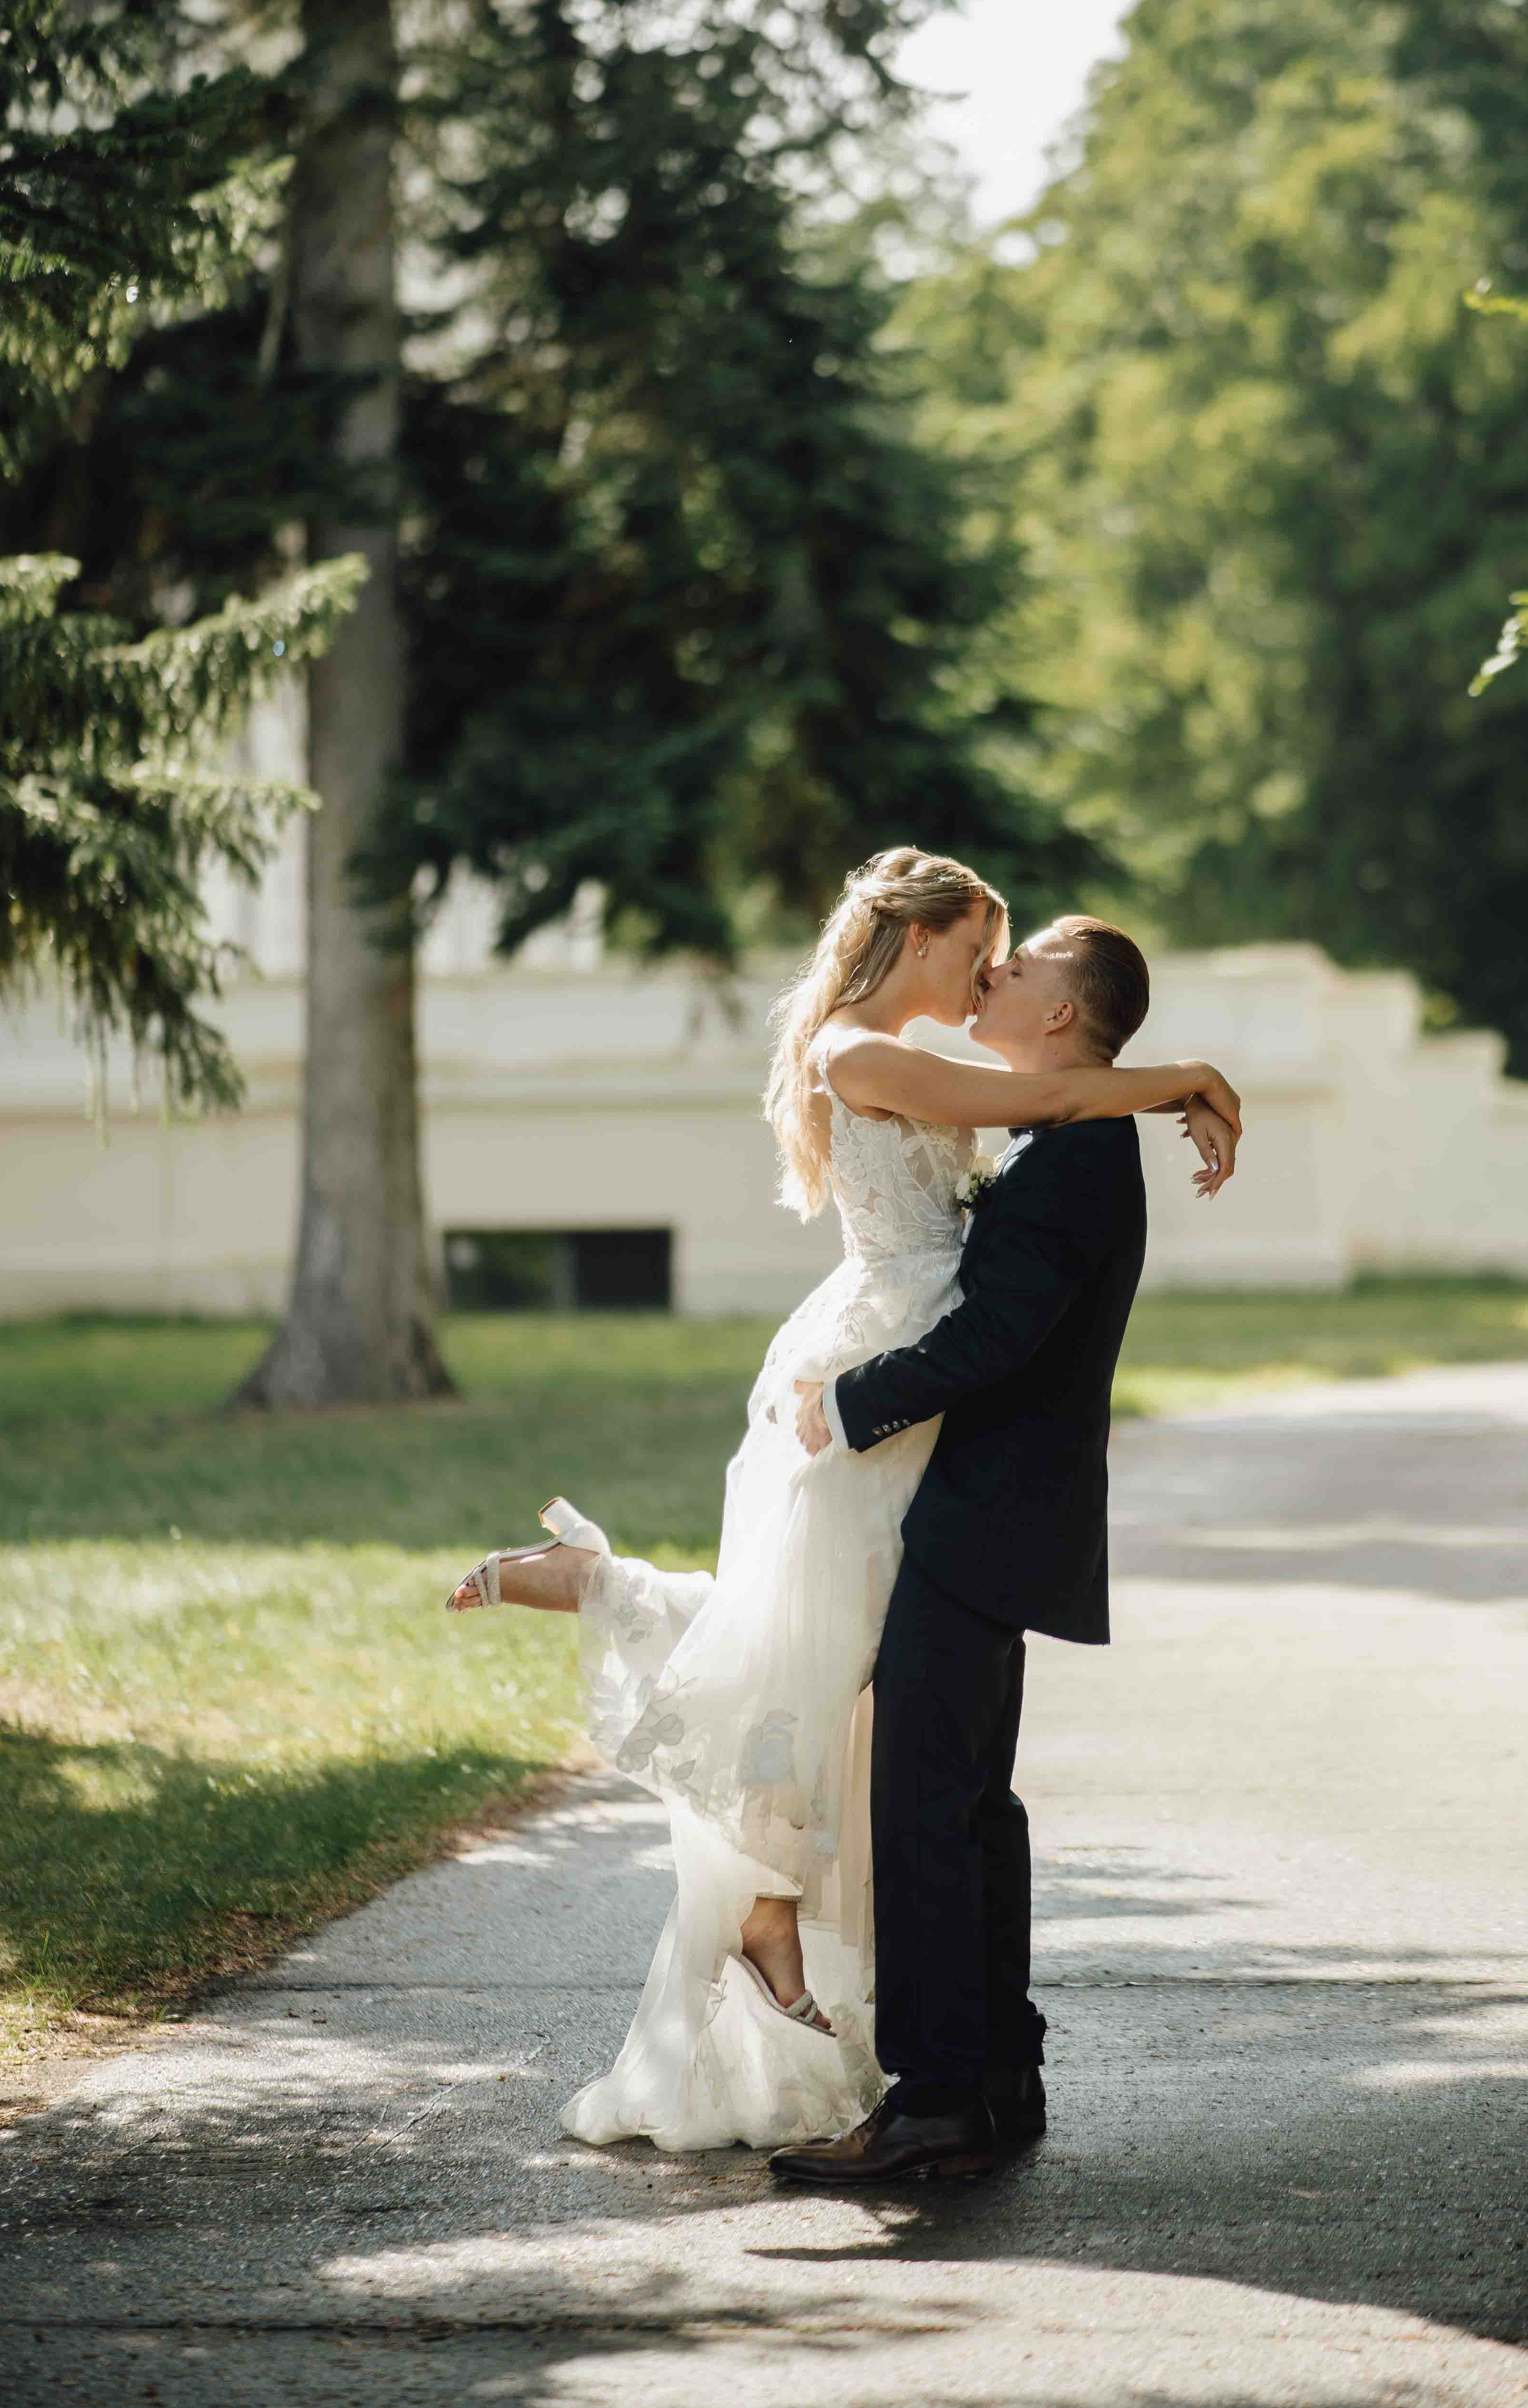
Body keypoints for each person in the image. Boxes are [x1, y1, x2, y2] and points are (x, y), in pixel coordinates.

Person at [442, 848, 1240, 2153]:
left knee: (916, 1760)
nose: (992, 971)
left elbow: (1058, 1098)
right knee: (857, 1704)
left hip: (930, 1423)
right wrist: (1193, 1082)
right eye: (980, 948)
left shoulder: (1049, 1125)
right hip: (892, 1390)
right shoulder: (865, 1056)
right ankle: (881, 2007)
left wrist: (1182, 1087)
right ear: (919, 940)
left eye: (1012, 962)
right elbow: (1059, 1088)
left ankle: (952, 2066)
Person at [769, 913, 1162, 2184]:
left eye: (1024, 962)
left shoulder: (1075, 1153)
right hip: (992, 1509)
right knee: (971, 1806)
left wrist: (851, 1401)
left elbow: (999, 1335)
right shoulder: (1061, 1136)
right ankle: (995, 2068)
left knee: (927, 1807)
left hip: (982, 1509)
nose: (996, 971)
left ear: (1058, 1015)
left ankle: (937, 2093)